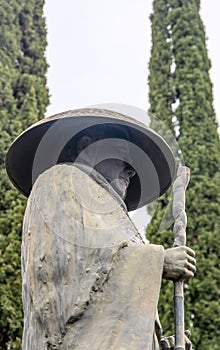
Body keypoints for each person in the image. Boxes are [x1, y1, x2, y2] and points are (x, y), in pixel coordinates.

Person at [6, 108, 196, 349]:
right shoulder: (61, 180)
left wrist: (154, 343)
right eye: (124, 157)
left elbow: (113, 310)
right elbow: (66, 269)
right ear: (87, 145)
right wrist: (158, 261)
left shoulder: (114, 214)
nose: (131, 171)